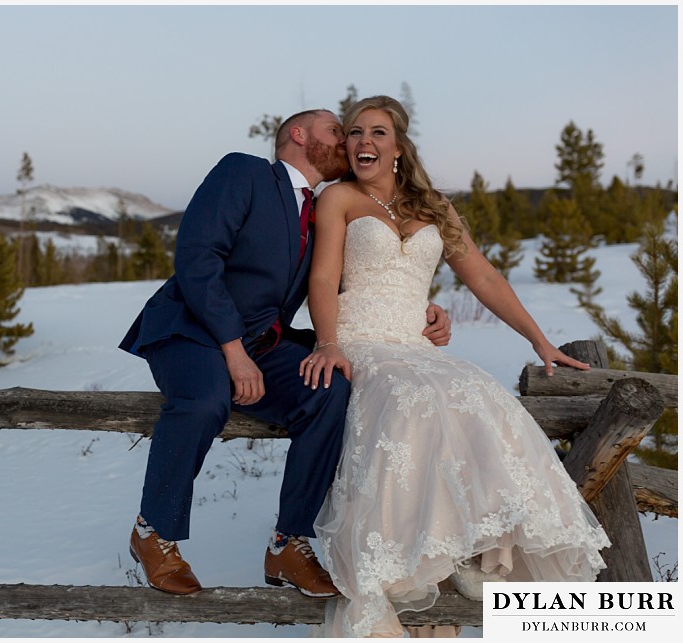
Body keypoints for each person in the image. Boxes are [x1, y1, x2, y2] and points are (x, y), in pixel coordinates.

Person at [302, 95, 611, 637]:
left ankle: (478, 550)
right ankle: (416, 556)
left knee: (478, 393)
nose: (363, 142)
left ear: (399, 146)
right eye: (353, 133)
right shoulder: (338, 198)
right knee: (409, 402)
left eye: (377, 132)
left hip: (416, 343)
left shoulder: (434, 207)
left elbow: (485, 278)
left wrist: (540, 341)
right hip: (361, 340)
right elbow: (324, 279)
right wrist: (328, 343)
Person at [119, 108, 454, 598]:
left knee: (329, 390)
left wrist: (422, 309)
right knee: (206, 399)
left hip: (262, 347)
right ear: (299, 135)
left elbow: (357, 280)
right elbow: (197, 257)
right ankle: (153, 532)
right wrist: (232, 349)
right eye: (337, 131)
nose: (347, 141)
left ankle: (288, 543)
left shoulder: (320, 210)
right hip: (189, 331)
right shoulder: (246, 173)